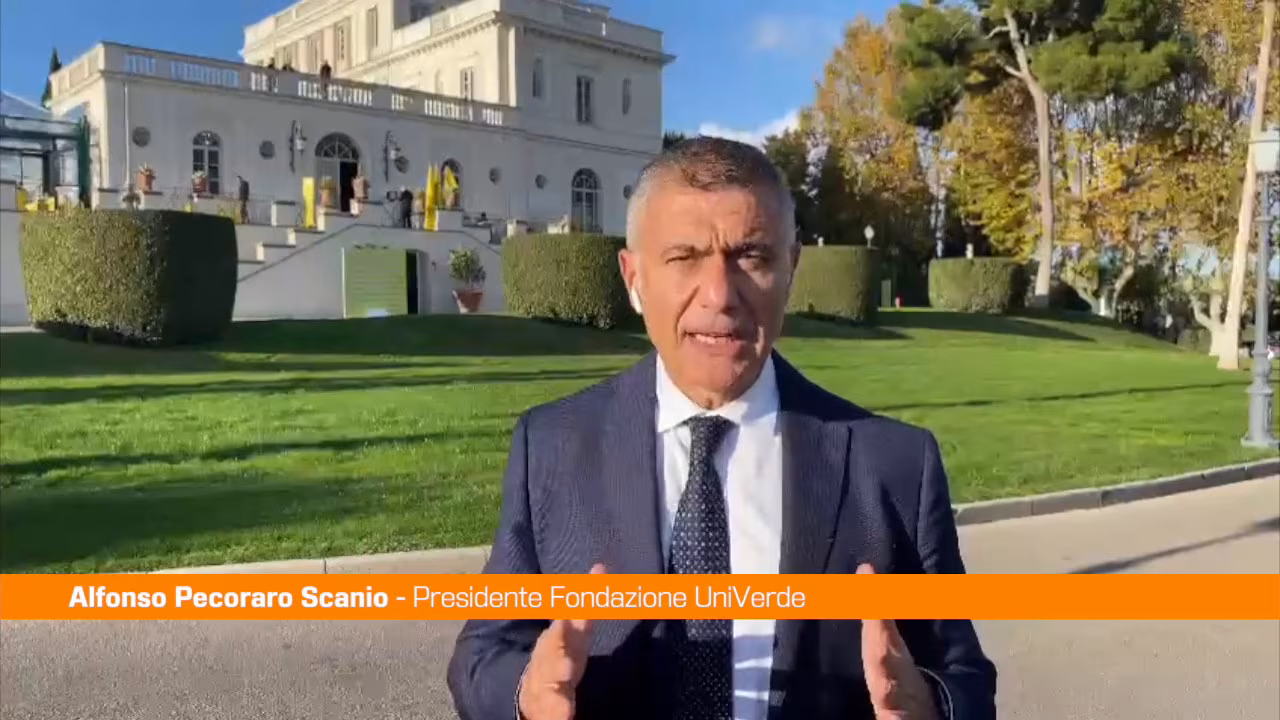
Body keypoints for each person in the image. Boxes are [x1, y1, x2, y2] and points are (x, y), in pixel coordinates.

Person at [446, 136, 996, 720]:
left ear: (791, 268)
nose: (720, 295)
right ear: (633, 278)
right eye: (684, 257)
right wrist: (526, 692)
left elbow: (965, 677)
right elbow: (482, 653)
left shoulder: (895, 466)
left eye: (751, 256)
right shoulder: (552, 446)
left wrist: (930, 705)